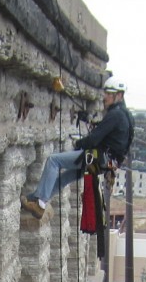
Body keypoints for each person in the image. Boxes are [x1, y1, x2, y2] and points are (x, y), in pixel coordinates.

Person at [21, 80, 132, 219]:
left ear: (119, 95)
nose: (105, 97)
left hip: (97, 157)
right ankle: (33, 199)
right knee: (65, 178)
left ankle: (40, 204)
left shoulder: (115, 114)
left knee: (54, 161)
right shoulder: (127, 115)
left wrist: (78, 143)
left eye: (109, 94)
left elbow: (93, 139)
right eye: (106, 93)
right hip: (107, 163)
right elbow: (112, 135)